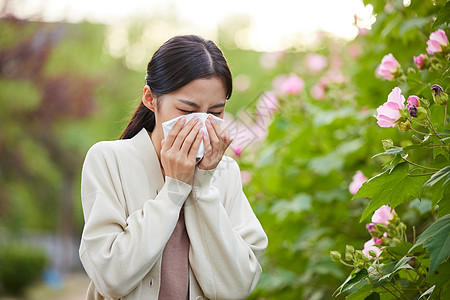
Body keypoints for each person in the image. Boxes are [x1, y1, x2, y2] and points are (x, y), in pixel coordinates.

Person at [79, 35, 268, 300]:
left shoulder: (225, 173)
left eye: (215, 113)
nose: (200, 124)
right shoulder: (109, 161)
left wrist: (202, 186)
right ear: (150, 98)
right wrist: (175, 189)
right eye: (186, 110)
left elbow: (237, 286)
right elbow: (111, 277)